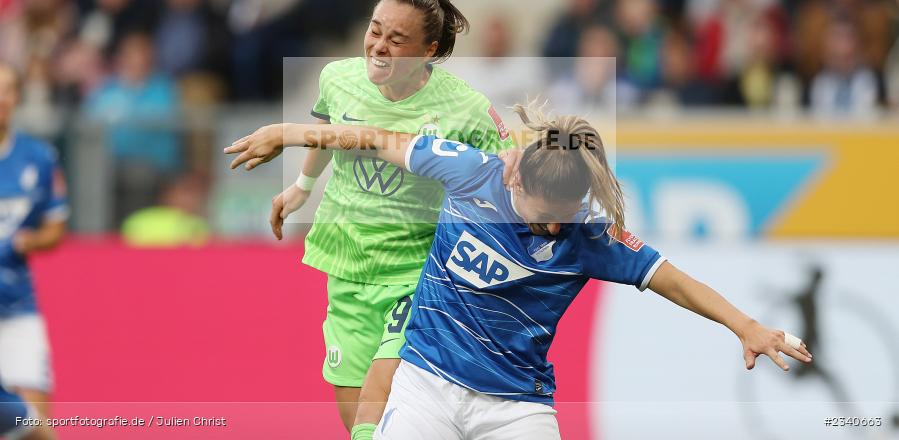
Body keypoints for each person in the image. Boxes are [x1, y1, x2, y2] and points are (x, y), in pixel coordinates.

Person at [225, 104, 814, 440]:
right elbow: (370, 137)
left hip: (515, 406)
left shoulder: (588, 234)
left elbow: (673, 279)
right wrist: (287, 134)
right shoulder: (471, 172)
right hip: (426, 379)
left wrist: (746, 326)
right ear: (515, 178)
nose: (555, 231)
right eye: (544, 216)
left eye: (565, 219)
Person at [266, 0, 515, 440]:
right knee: (355, 415)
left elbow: (506, 176)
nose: (378, 46)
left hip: (417, 271)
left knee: (379, 403)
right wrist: (302, 185)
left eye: (396, 40)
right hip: (347, 260)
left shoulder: (467, 109)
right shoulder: (338, 78)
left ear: (429, 52)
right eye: (375, 30)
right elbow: (325, 127)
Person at [0, 61, 68, 431]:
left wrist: (31, 240)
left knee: (34, 425)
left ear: (17, 98)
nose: (0, 99)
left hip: (16, 307)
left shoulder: (38, 157)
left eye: (8, 90)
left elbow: (55, 228)